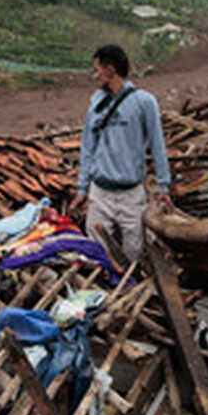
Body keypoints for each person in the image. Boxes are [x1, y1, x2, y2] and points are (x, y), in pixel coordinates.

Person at [73, 44, 172, 262]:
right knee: (96, 252)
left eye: (98, 69)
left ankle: (129, 289)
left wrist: (163, 186)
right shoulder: (96, 105)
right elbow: (88, 148)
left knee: (134, 252)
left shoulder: (144, 102)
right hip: (100, 193)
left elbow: (157, 145)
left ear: (110, 70)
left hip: (131, 194)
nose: (95, 75)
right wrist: (82, 189)